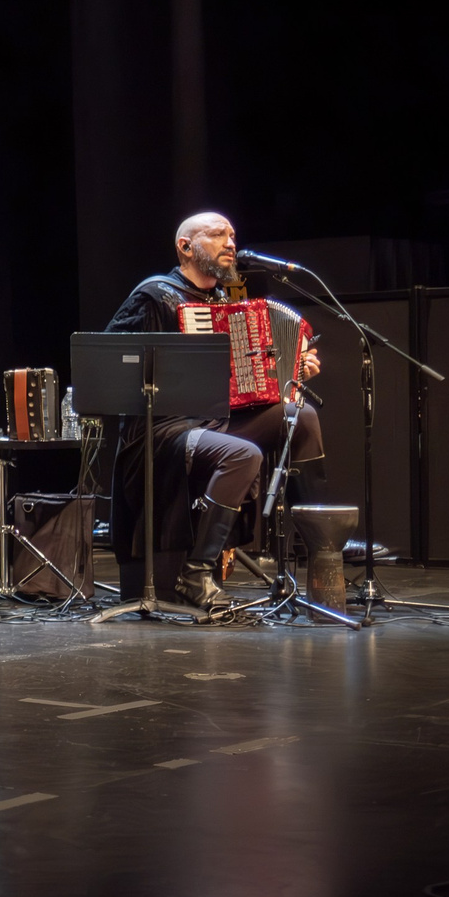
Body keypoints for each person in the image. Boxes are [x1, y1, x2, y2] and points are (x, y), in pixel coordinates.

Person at [103, 211, 324, 614]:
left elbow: (254, 379)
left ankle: (321, 540)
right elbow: (108, 366)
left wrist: (294, 369)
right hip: (162, 429)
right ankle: (196, 573)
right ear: (185, 247)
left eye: (233, 235)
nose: (230, 242)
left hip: (217, 420)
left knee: (300, 414)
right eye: (217, 234)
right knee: (244, 453)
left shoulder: (228, 302)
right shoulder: (154, 295)